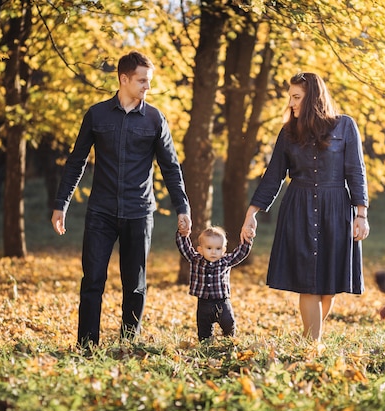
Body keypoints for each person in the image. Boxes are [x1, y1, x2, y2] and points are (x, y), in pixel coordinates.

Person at [51, 51, 191, 348]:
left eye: (149, 81)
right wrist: (61, 204)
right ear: (123, 79)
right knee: (92, 282)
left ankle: (129, 345)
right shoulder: (96, 115)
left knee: (135, 285)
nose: (147, 87)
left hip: (139, 212)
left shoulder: (155, 119)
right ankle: (87, 347)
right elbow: (77, 162)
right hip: (100, 212)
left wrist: (183, 208)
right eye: (142, 81)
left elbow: (170, 167)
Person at [240, 72, 369, 342]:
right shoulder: (288, 133)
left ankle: (310, 335)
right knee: (307, 282)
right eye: (290, 97)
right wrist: (251, 213)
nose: (291, 103)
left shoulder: (345, 126)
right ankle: (313, 343)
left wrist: (361, 213)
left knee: (327, 286)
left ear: (312, 98)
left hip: (336, 209)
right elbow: (273, 175)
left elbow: (356, 171)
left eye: (296, 97)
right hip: (298, 207)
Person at [176, 226, 252, 341]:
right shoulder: (196, 260)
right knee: (203, 329)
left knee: (228, 322)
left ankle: (229, 339)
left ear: (223, 250)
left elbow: (240, 253)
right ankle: (206, 343)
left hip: (222, 302)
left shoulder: (225, 261)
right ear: (200, 250)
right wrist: (182, 234)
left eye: (218, 248)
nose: (213, 252)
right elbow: (184, 248)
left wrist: (247, 239)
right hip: (203, 303)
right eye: (209, 248)